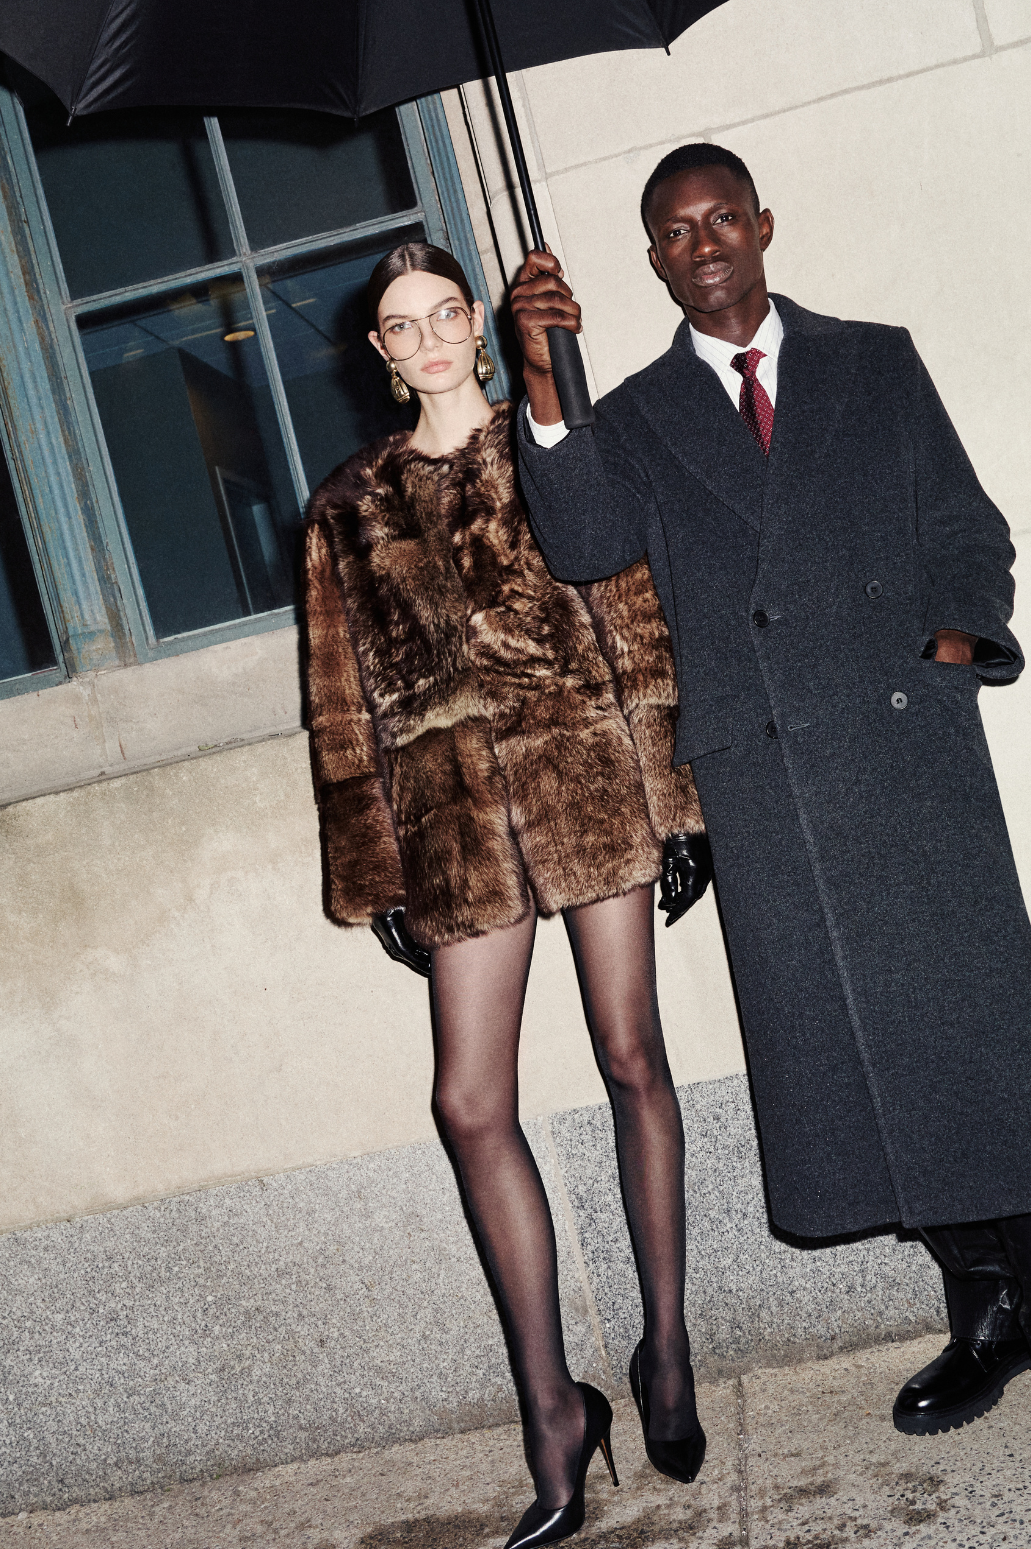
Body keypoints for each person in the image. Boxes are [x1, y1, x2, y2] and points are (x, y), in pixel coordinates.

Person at [504, 145, 1031, 1475]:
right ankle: (993, 1309)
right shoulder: (625, 419)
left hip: (909, 759)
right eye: (673, 232)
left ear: (765, 225)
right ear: (652, 262)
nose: (704, 244)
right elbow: (579, 546)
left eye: (722, 217)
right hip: (776, 791)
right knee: (877, 1066)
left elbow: (969, 530)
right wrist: (541, 383)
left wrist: (958, 645)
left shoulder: (876, 361)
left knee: (981, 1056)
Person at [301, 240, 722, 1548]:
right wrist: (373, 863)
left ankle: (667, 1350)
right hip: (452, 821)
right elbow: (338, 702)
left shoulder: (554, 440)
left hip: (588, 775)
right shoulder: (347, 507)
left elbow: (634, 613)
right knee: (469, 1102)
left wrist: (676, 796)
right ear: (378, 352)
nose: (428, 339)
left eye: (444, 313)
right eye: (401, 326)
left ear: (477, 321)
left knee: (631, 1056)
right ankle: (554, 1413)